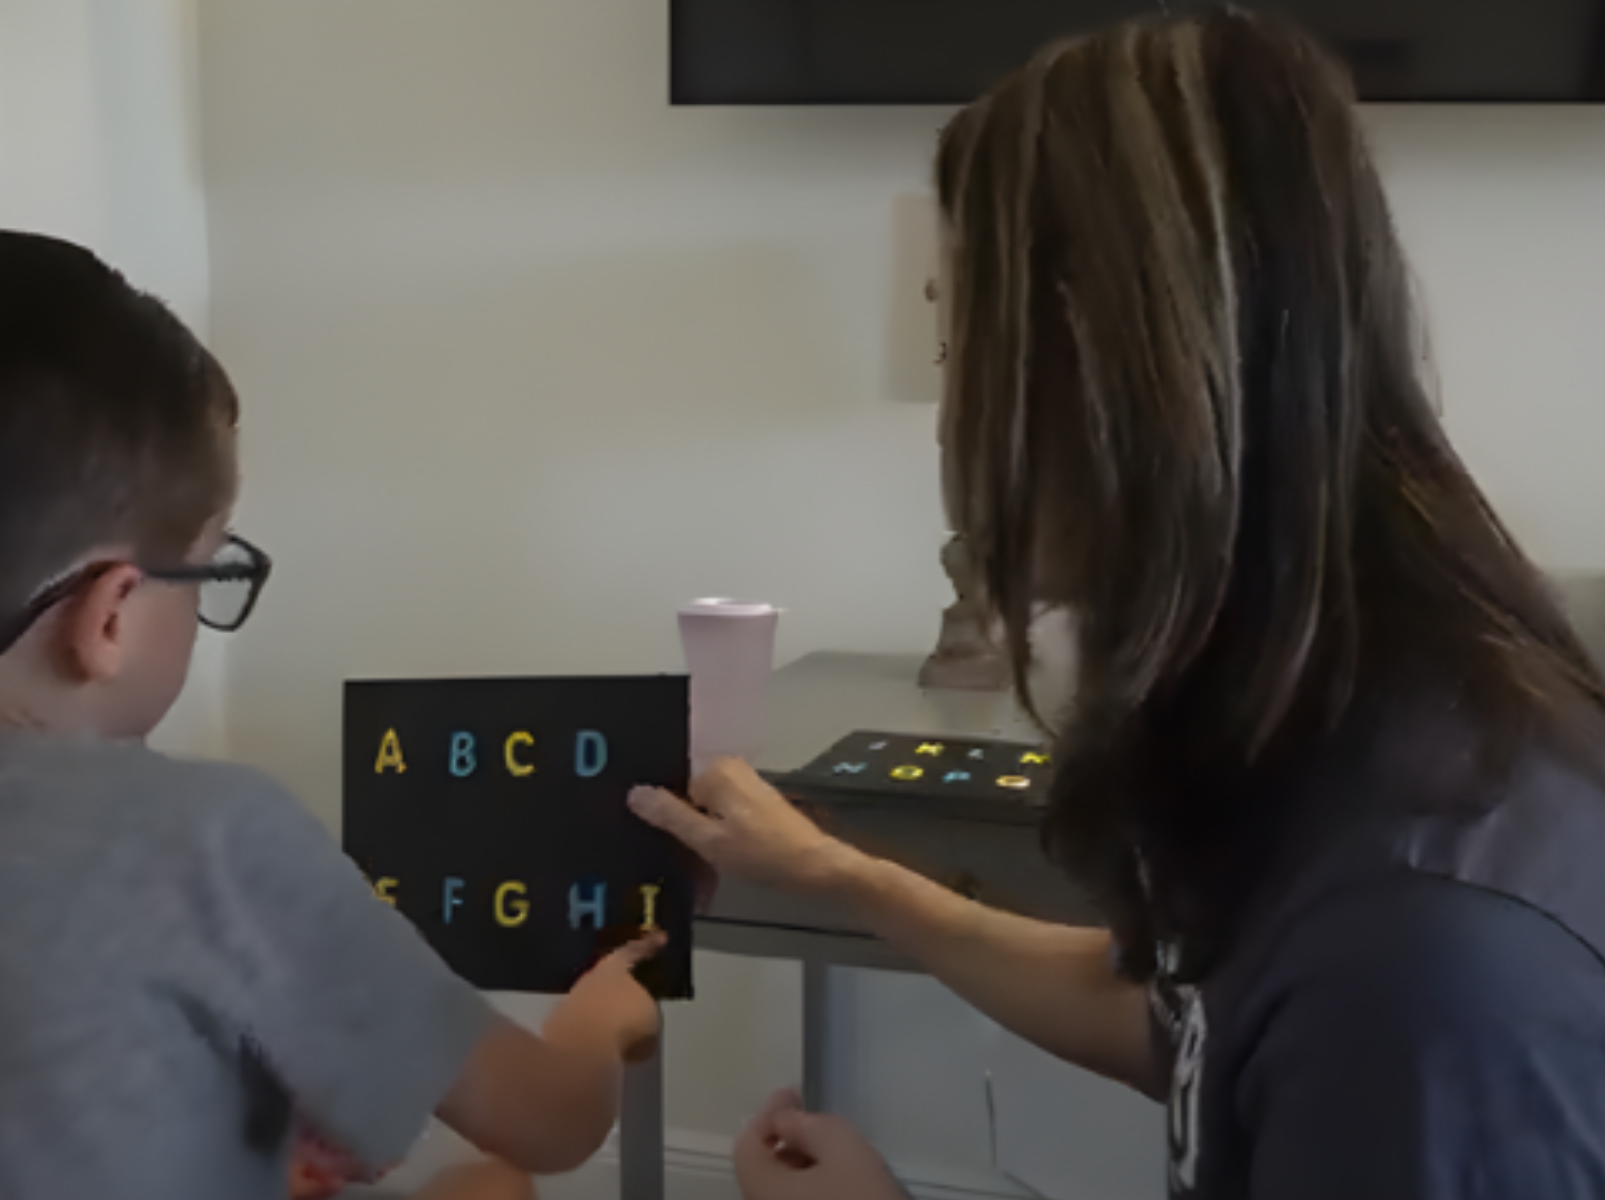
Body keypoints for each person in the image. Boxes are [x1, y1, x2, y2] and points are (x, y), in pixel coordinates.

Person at [634, 9, 1605, 1200]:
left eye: (959, 348)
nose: (952, 421)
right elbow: (1185, 1024)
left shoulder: (1424, 968)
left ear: (1107, 361)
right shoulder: (1352, 715)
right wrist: (845, 874)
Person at [0, 215, 662, 1200]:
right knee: (495, 1185)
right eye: (208, 571)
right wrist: (598, 1023)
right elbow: (550, 1119)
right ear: (111, 614)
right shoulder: (204, 840)